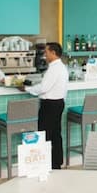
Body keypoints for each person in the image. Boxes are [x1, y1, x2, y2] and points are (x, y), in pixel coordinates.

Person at [20, 42, 67, 170]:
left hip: (50, 104)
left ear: (53, 53)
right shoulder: (61, 67)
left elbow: (44, 87)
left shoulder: (54, 69)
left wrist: (27, 89)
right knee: (55, 134)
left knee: (45, 135)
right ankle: (56, 163)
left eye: (46, 52)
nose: (44, 55)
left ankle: (47, 164)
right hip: (58, 103)